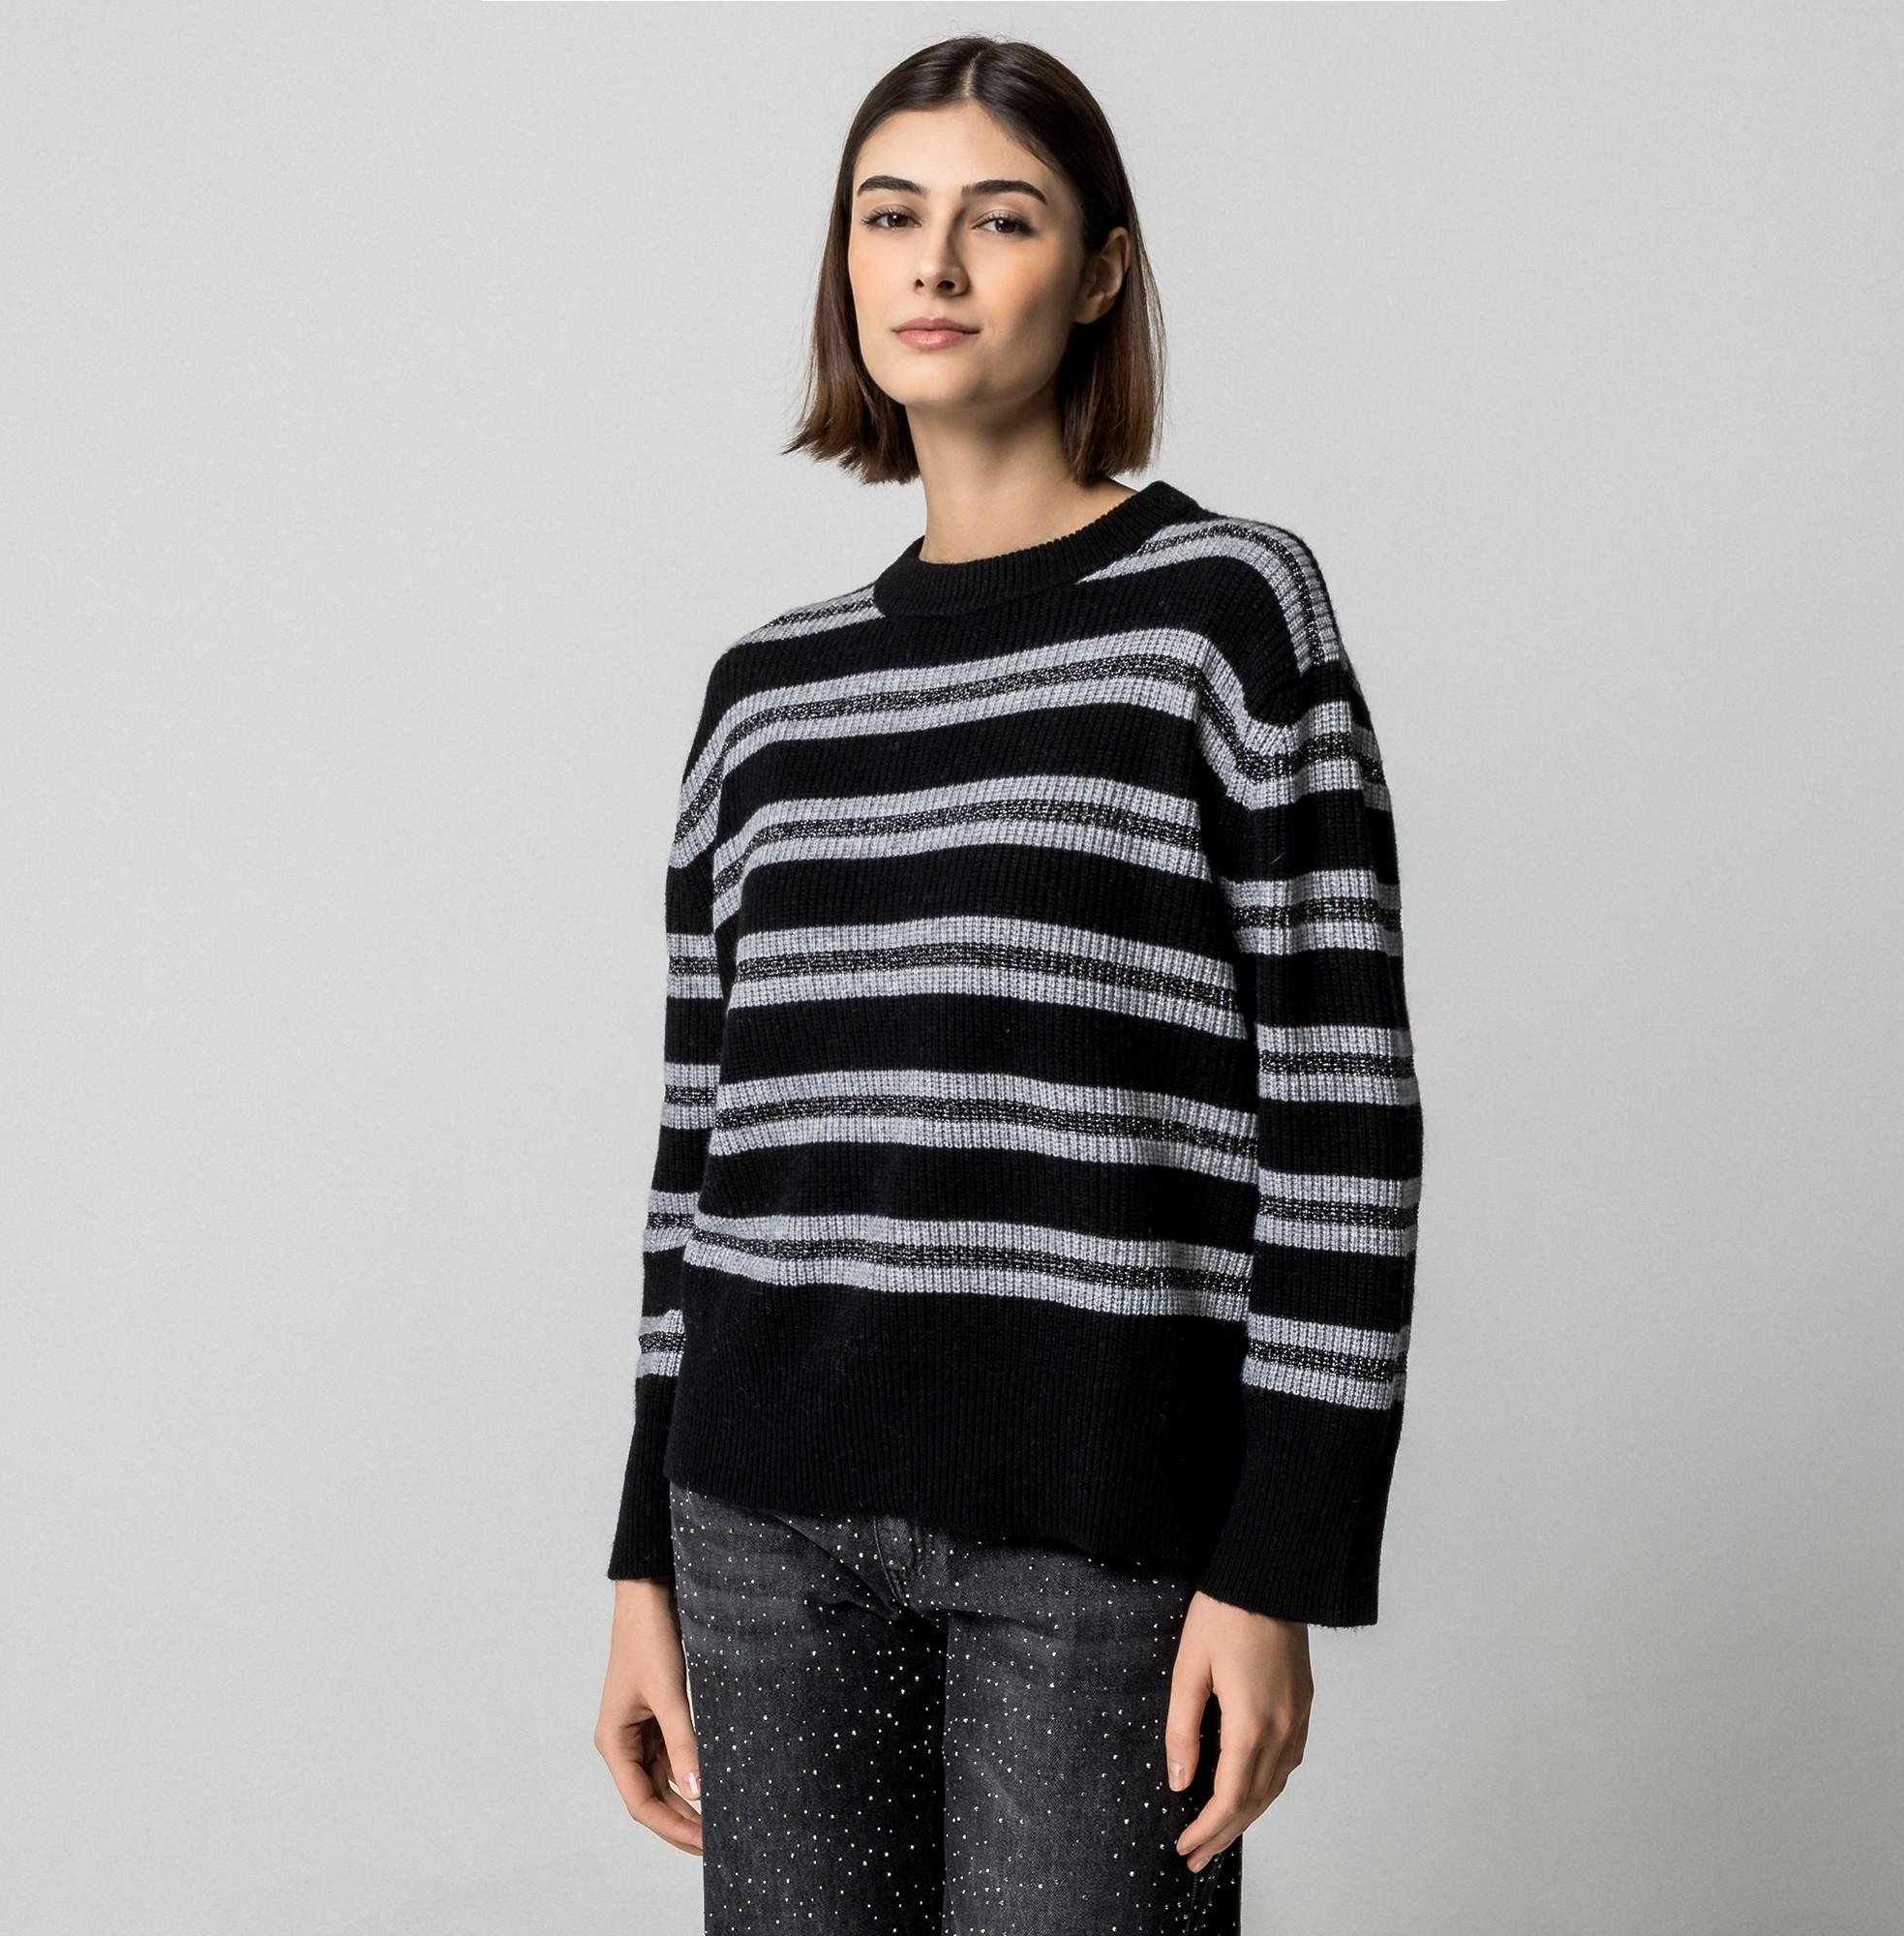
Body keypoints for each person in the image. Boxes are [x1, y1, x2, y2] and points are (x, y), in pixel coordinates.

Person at [593, 34, 1424, 1935]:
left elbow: (1342, 1112)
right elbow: (699, 1152)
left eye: (1003, 218)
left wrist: (1278, 1560)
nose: (937, 264)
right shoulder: (766, 695)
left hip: (1102, 1529)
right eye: (891, 216)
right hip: (760, 1526)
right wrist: (641, 1556)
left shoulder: (1226, 614)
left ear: (1101, 269)